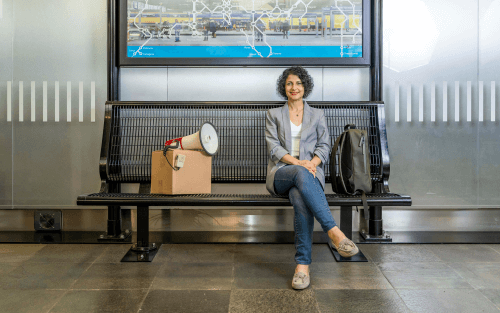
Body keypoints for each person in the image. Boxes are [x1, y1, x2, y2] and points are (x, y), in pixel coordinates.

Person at [265, 66, 359, 290]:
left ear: (305, 86)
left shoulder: (317, 114)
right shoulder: (273, 114)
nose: (294, 87)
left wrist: (312, 163)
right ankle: (334, 233)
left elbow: (324, 146)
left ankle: (302, 267)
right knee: (299, 174)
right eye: (289, 83)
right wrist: (300, 164)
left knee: (299, 196)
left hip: (309, 175)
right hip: (281, 173)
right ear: (283, 87)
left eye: (298, 83)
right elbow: (274, 149)